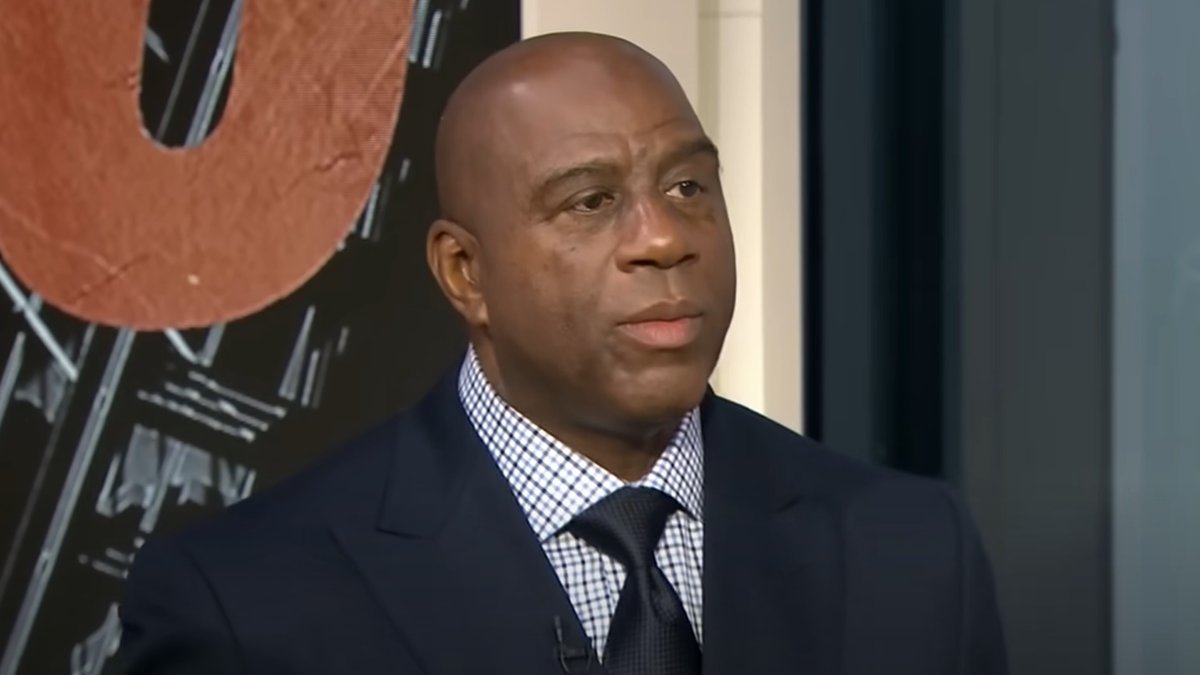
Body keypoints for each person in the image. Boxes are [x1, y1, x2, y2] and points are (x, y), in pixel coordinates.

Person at [114, 32, 1007, 675]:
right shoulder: (244, 602)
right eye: (590, 201)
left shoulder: (913, 554)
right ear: (465, 274)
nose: (663, 239)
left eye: (688, 186)